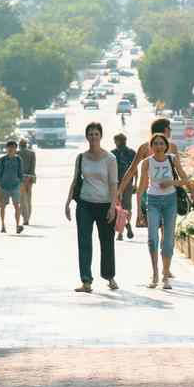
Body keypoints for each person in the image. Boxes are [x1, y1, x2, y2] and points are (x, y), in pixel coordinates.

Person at [131, 132, 194, 290]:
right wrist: (138, 210)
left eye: (161, 143)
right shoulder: (147, 162)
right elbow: (141, 187)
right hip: (152, 202)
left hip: (170, 202)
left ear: (166, 146)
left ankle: (165, 275)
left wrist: (171, 183)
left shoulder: (172, 159)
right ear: (151, 147)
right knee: (152, 238)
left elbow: (185, 179)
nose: (159, 147)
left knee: (168, 240)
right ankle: (155, 274)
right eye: (155, 144)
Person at [64, 122, 118, 292]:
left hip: (104, 205)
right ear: (87, 137)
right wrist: (67, 202)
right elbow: (75, 180)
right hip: (85, 204)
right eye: (90, 134)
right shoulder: (81, 157)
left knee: (107, 242)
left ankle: (110, 277)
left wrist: (112, 206)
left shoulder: (110, 159)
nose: (93, 137)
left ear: (101, 136)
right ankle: (86, 281)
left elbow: (113, 184)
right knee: (84, 242)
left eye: (96, 134)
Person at [0, 139, 25, 234]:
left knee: (17, 206)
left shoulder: (18, 159)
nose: (11, 149)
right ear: (6, 148)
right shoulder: (2, 160)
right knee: (2, 206)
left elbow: (20, 173)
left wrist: (21, 183)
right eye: (9, 147)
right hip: (4, 186)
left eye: (13, 147)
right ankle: (3, 225)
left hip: (15, 186)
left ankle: (17, 225)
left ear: (16, 149)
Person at [111, 133, 136, 240]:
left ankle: (120, 232)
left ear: (117, 141)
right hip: (128, 184)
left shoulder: (112, 154)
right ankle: (128, 224)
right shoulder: (132, 153)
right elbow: (135, 170)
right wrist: (136, 183)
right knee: (127, 207)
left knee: (117, 208)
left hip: (115, 184)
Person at [17, 138, 37, 227]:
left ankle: (25, 218)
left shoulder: (17, 154)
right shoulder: (32, 153)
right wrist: (31, 177)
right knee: (29, 199)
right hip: (30, 178)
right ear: (26, 144)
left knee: (22, 199)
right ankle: (28, 217)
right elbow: (33, 166)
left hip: (20, 179)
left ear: (19, 145)